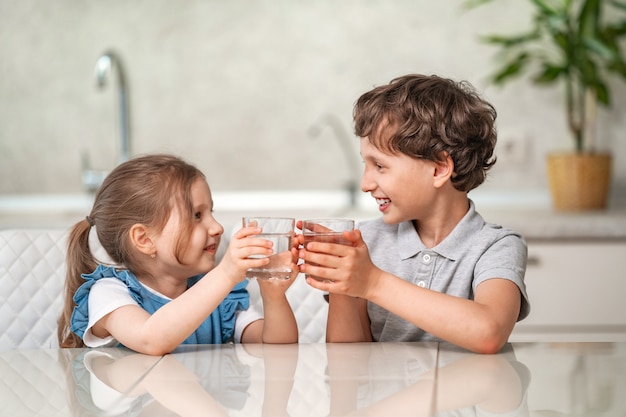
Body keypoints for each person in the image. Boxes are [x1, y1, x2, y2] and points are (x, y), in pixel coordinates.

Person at [297, 74, 529, 354]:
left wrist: (371, 281)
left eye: (380, 166)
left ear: (439, 169)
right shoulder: (366, 241)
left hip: (467, 395)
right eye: (365, 165)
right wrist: (343, 284)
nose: (366, 184)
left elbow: (489, 333)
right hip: (381, 398)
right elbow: (348, 361)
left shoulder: (495, 247)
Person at [58, 154, 298, 355]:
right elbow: (150, 339)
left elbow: (275, 350)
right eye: (196, 216)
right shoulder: (109, 294)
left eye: (210, 212)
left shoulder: (221, 298)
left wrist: (273, 297)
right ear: (144, 240)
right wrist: (226, 273)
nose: (217, 227)